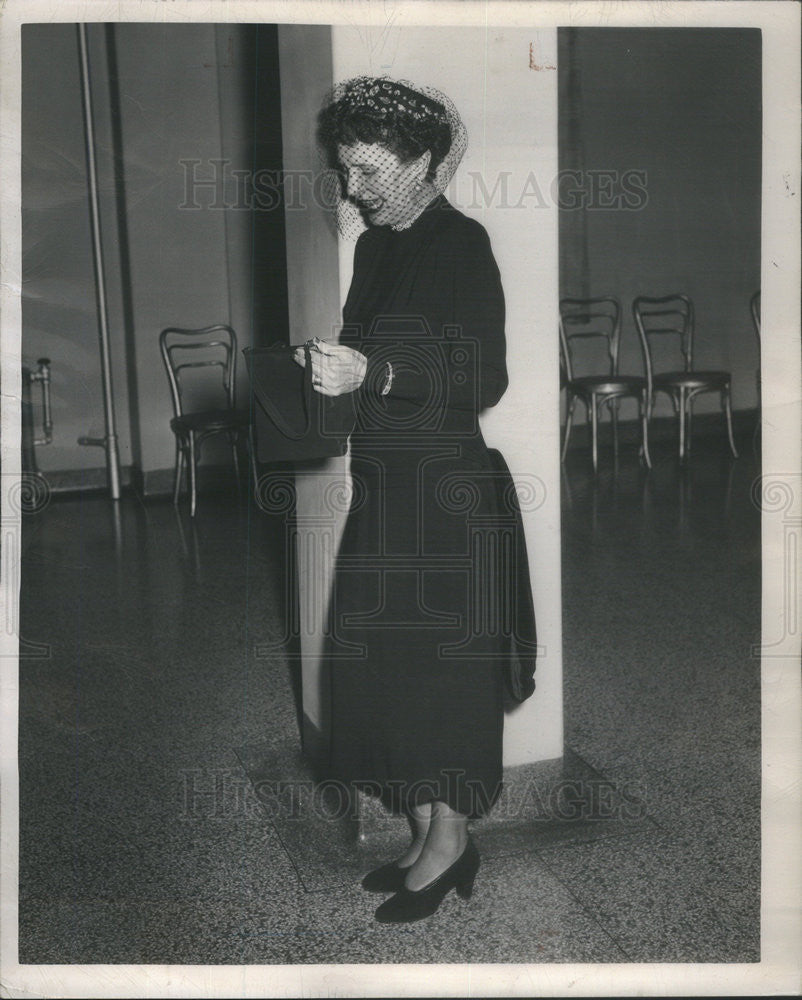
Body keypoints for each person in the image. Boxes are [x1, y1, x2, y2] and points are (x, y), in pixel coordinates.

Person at [294, 76, 532, 924]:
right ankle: (432, 832)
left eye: (369, 170)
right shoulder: (377, 248)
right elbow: (364, 356)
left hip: (448, 498)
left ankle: (452, 845)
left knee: (446, 679)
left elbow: (484, 379)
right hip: (387, 490)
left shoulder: (458, 243)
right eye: (347, 170)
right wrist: (325, 368)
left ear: (424, 162)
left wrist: (377, 373)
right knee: (397, 672)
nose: (353, 189)